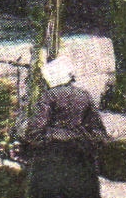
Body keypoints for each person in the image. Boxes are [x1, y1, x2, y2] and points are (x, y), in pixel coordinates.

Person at [23, 58, 107, 198]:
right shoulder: (84, 95)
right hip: (80, 158)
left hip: (51, 159)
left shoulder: (48, 97)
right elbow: (98, 131)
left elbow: (34, 132)